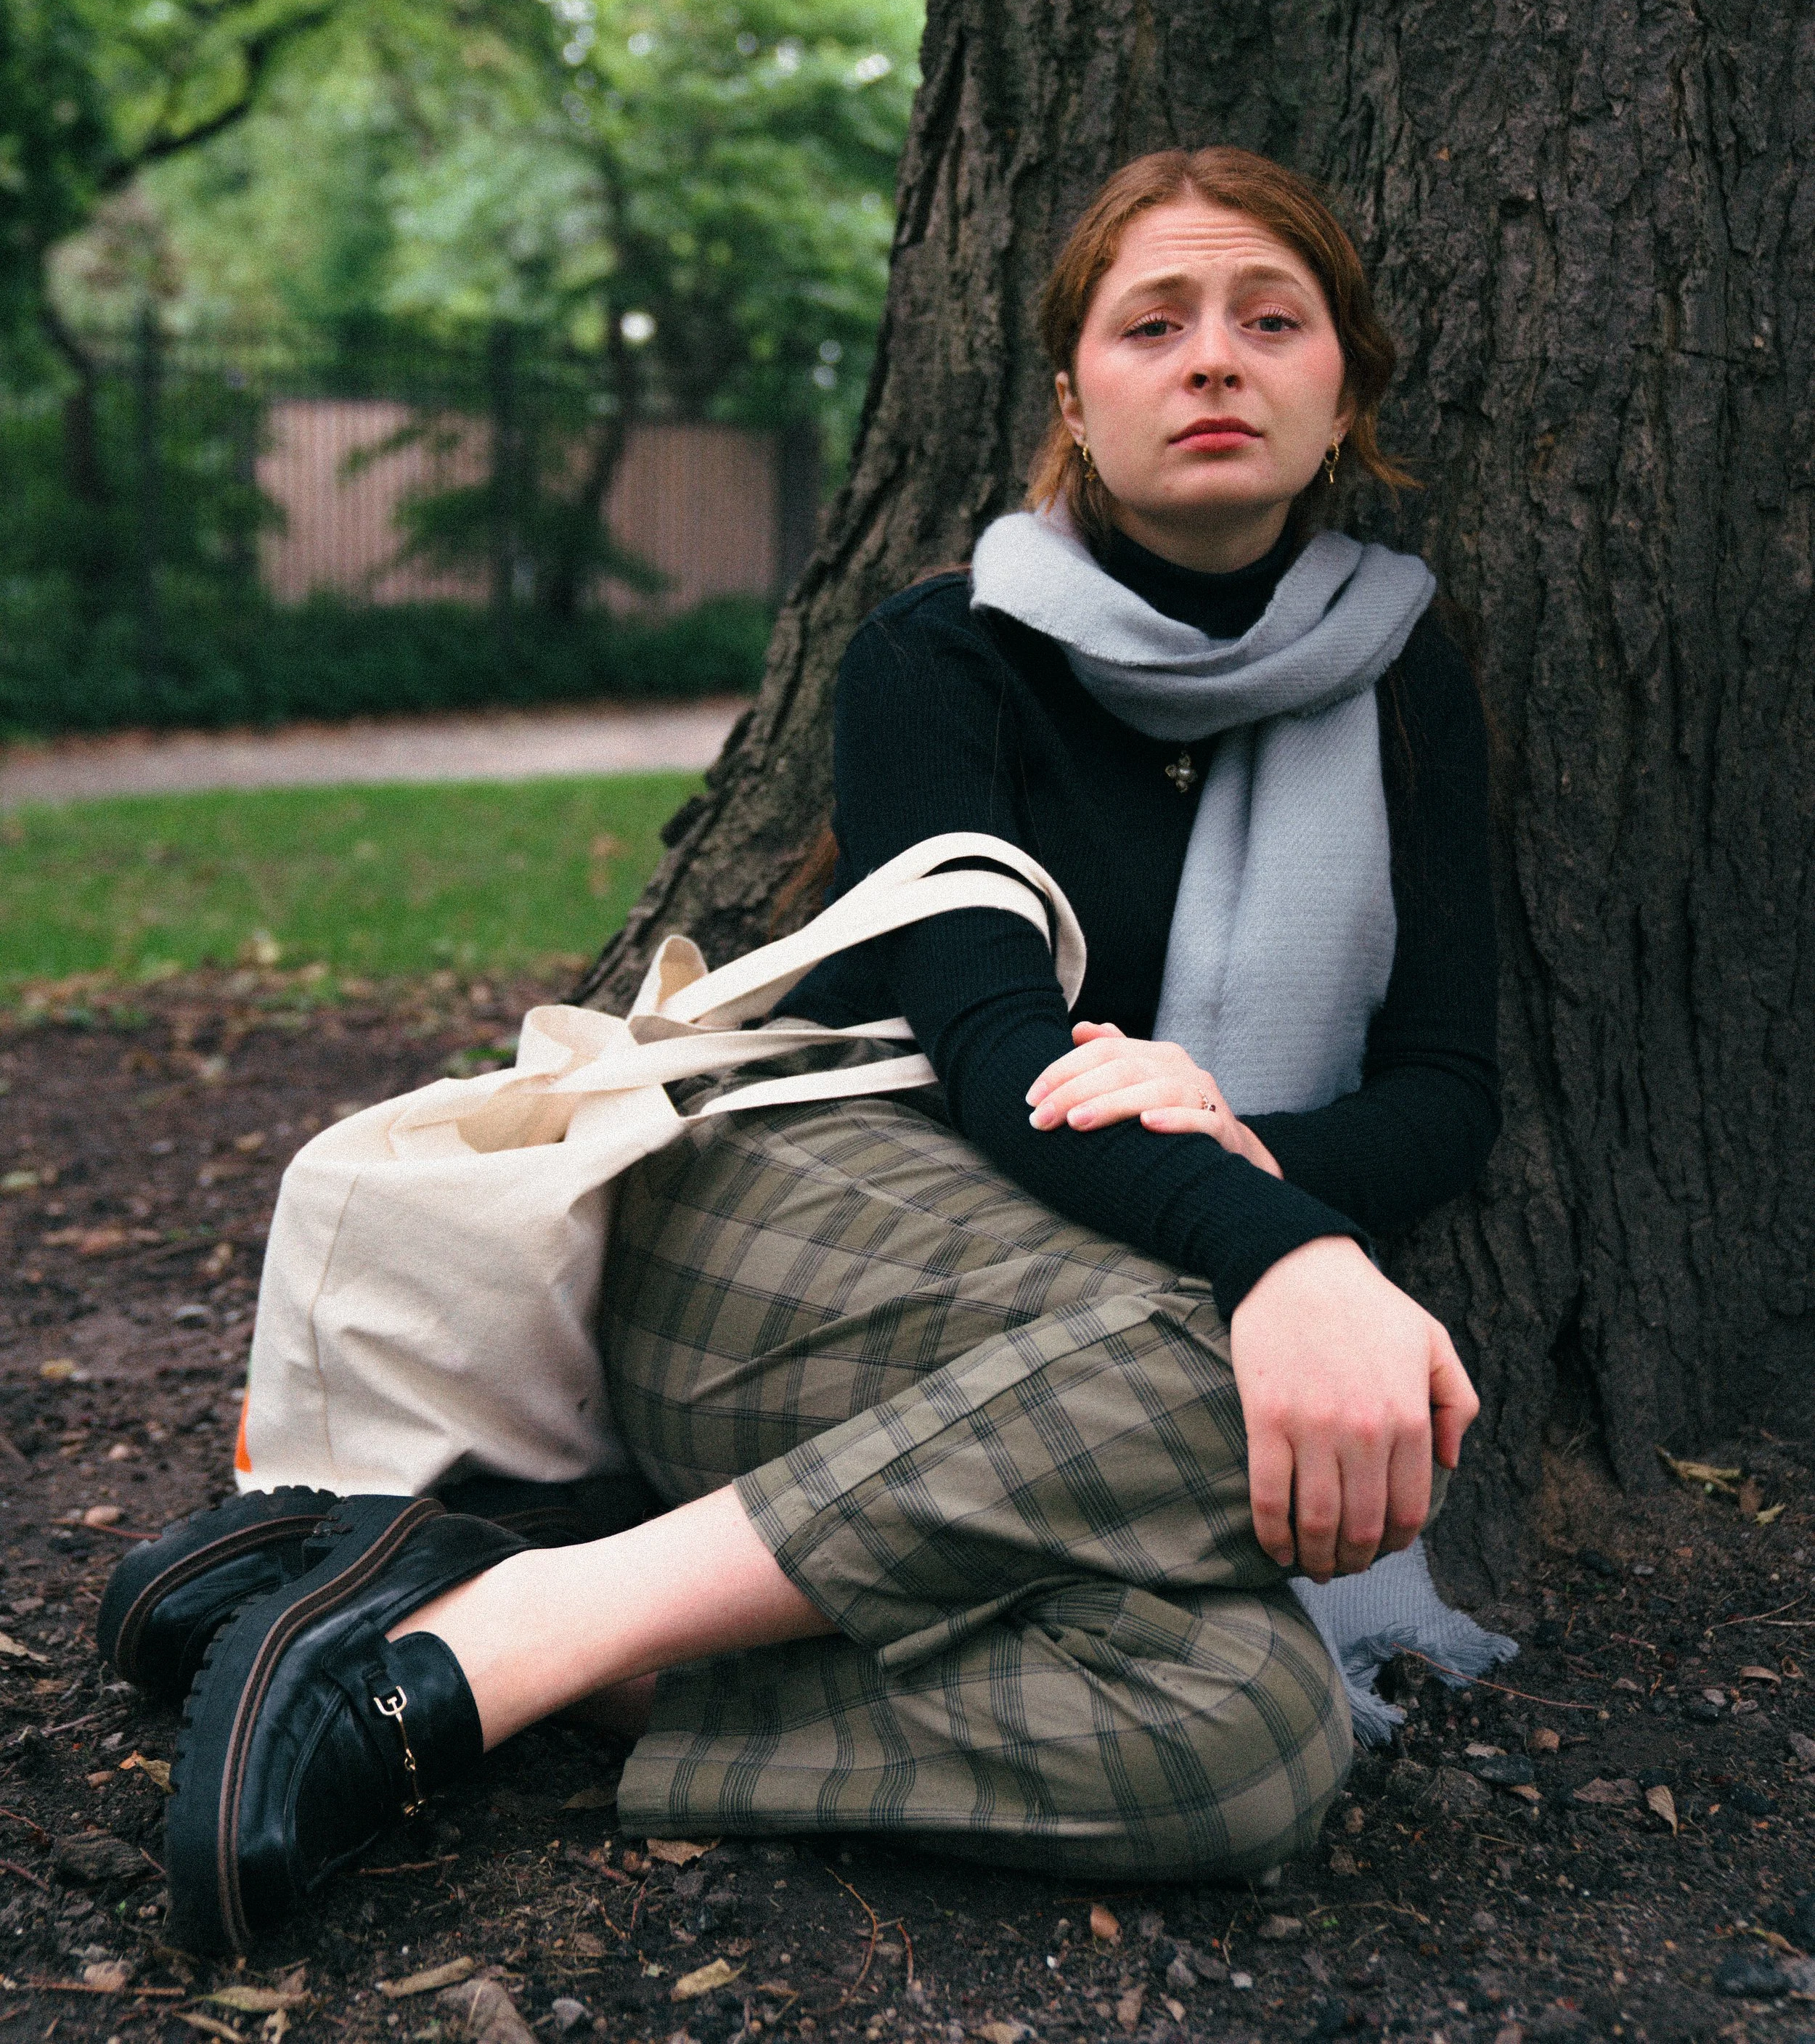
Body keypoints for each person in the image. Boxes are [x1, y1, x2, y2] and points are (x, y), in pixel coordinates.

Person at [102, 147, 1498, 1952]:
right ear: (1073, 397)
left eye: (1268, 319)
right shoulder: (945, 652)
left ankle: (522, 1601)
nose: (1213, 358)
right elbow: (993, 1052)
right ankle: (481, 1655)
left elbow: (1443, 1090)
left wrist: (1243, 1149)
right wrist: (1289, 1254)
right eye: (1152, 324)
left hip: (1085, 1327)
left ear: (1343, 388)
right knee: (1236, 1365)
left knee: (1245, 1743)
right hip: (797, 1214)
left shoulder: (1403, 678)